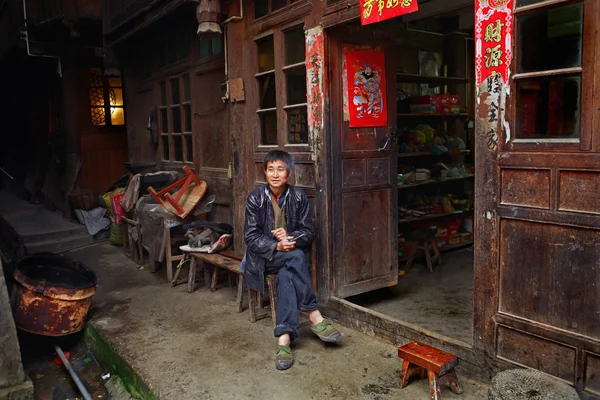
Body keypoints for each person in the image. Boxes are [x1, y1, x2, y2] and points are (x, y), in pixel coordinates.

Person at [242, 150, 342, 370]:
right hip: (264, 258)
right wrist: (276, 244)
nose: (275, 174)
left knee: (288, 271)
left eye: (280, 169)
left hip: (289, 258)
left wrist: (290, 239)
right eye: (270, 169)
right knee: (295, 257)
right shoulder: (255, 198)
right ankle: (313, 314)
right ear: (265, 173)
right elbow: (250, 237)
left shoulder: (298, 197)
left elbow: (308, 231)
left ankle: (284, 339)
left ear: (288, 173)